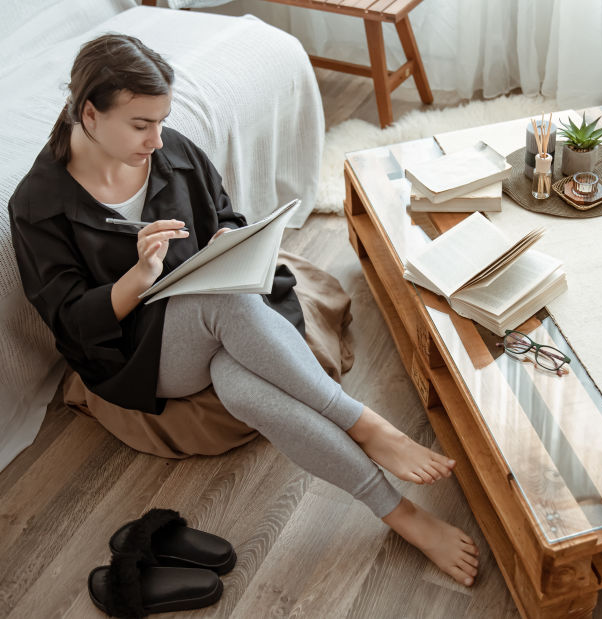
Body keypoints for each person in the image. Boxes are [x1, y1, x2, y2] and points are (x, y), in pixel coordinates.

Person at [9, 34, 479, 587]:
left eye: (161, 121)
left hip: (211, 322)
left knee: (240, 386)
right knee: (223, 302)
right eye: (140, 125)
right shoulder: (38, 205)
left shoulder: (172, 151)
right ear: (89, 114)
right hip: (137, 352)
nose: (157, 139)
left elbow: (225, 214)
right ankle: (363, 422)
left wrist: (230, 243)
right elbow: (71, 322)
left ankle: (399, 513)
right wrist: (138, 278)